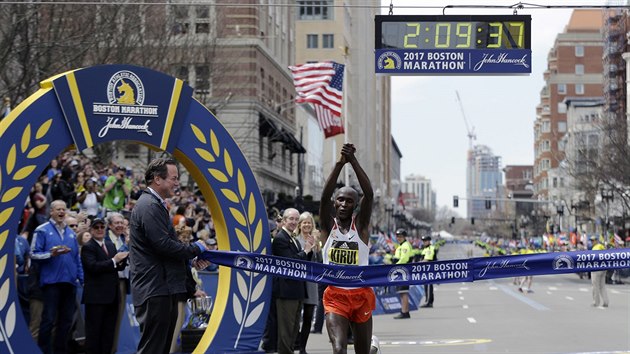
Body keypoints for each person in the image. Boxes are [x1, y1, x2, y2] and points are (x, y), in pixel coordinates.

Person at [129, 157, 208, 354]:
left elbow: (167, 248)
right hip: (155, 289)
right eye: (173, 178)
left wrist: (191, 257)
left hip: (163, 288)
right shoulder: (149, 205)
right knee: (153, 349)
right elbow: (163, 246)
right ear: (157, 179)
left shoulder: (155, 204)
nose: (177, 183)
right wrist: (196, 248)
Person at [319, 143, 376, 354]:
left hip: (361, 295)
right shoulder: (327, 227)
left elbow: (369, 195)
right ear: (335, 203)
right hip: (335, 296)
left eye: (349, 201)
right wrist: (339, 164)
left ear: (355, 206)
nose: (344, 204)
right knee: (339, 349)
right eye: (340, 199)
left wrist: (352, 160)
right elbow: (324, 198)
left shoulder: (360, 227)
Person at [31, 200, 84, 354]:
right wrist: (50, 254)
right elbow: (33, 254)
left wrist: (82, 279)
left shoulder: (70, 233)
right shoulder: (42, 230)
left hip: (69, 283)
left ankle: (60, 351)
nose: (61, 212)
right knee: (48, 320)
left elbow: (76, 259)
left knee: (66, 321)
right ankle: (44, 350)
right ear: (51, 212)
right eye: (58, 209)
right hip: (51, 283)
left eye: (63, 209)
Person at [80, 218, 129, 354]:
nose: (100, 230)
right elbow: (92, 267)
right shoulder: (88, 247)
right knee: (94, 333)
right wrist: (114, 260)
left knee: (109, 332)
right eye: (97, 227)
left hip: (112, 295)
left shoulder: (110, 245)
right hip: (96, 297)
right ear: (91, 230)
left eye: (102, 227)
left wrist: (122, 261)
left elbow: (116, 268)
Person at [271, 208, 314, 354]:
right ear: (283, 220)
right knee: (286, 330)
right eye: (291, 219)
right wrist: (306, 251)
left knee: (294, 329)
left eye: (296, 219)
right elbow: (291, 263)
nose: (294, 222)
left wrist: (310, 250)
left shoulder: (292, 238)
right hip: (286, 291)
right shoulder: (280, 238)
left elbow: (304, 263)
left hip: (297, 290)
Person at [294, 212, 323, 354]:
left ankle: (302, 347)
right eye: (304, 222)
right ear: (299, 225)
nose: (306, 225)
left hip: (311, 282)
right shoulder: (295, 240)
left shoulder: (316, 242)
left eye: (309, 222)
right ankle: (296, 341)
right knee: (295, 316)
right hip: (298, 281)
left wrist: (315, 245)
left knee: (308, 315)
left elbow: (319, 261)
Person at [392, 228, 413, 319]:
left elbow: (404, 259)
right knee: (402, 292)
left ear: (404, 237)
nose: (398, 238)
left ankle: (404, 312)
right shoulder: (401, 245)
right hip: (400, 270)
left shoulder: (405, 246)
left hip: (403, 270)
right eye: (397, 236)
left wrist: (395, 267)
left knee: (403, 292)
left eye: (400, 236)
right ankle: (405, 311)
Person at [590, 236, 609, 308]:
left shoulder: (595, 248)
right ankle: (606, 301)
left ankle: (596, 302)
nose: (592, 242)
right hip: (603, 268)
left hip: (596, 269)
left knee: (595, 286)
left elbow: (592, 259)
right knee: (602, 286)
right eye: (591, 240)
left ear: (596, 240)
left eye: (593, 240)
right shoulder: (602, 247)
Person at [420, 235, 436, 308]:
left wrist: (417, 264)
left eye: (425, 241)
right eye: (423, 241)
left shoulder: (430, 248)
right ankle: (427, 300)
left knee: (429, 286)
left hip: (430, 269)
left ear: (429, 241)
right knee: (426, 286)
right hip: (425, 270)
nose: (424, 242)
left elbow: (427, 259)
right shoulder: (425, 248)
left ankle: (428, 302)